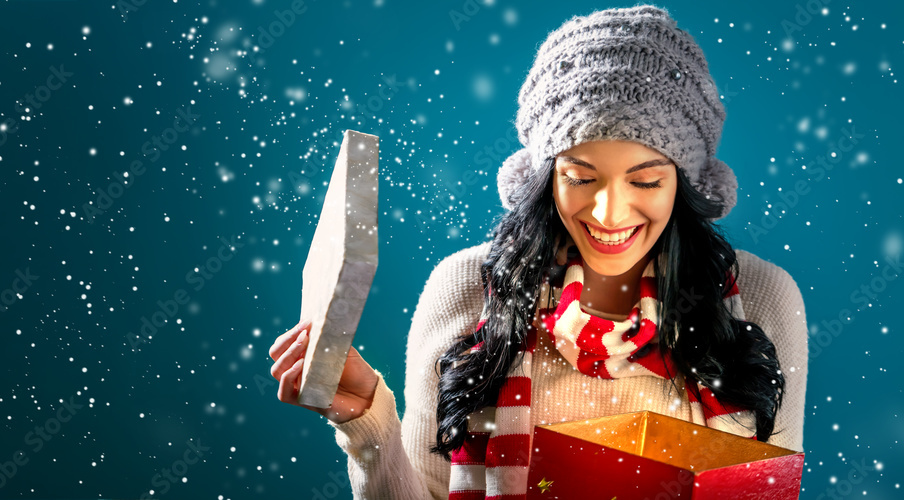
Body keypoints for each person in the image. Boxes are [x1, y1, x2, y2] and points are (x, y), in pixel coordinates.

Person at [269, 5, 808, 499]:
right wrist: (368, 422)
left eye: (645, 182)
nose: (608, 214)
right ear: (544, 178)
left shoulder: (760, 299)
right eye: (580, 177)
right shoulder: (463, 287)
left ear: (686, 184)